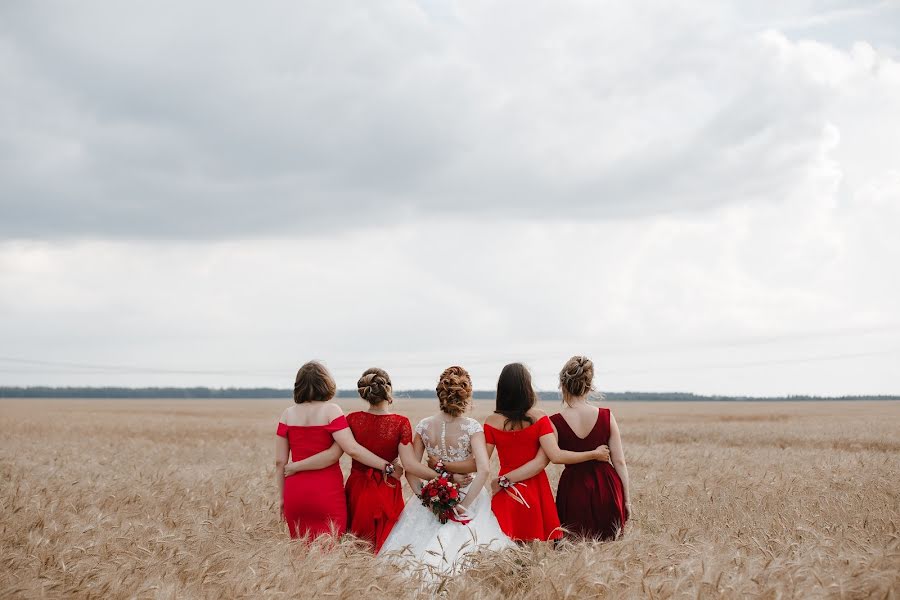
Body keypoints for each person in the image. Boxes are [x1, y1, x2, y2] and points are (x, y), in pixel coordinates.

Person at [285, 367, 456, 551]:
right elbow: (410, 465)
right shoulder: (400, 423)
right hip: (387, 488)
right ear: (388, 390)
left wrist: (296, 466)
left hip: (357, 490)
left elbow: (339, 452)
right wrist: (444, 479)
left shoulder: (352, 419)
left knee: (354, 548)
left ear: (365, 393)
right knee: (387, 546)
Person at [437, 363, 610, 541]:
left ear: (501, 389)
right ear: (527, 387)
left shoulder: (492, 421)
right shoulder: (540, 417)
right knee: (534, 550)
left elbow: (477, 464)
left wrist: (443, 465)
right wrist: (594, 454)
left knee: (505, 545)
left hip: (506, 491)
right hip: (535, 489)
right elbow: (551, 458)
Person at [378, 366, 514, 573]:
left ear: (439, 394)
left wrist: (428, 500)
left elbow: (410, 471)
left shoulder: (424, 426)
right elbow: (484, 469)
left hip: (431, 495)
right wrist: (464, 506)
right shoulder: (472, 427)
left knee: (410, 557)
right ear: (466, 396)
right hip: (469, 495)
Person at [274, 361, 403, 539]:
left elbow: (280, 462)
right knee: (331, 552)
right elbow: (351, 449)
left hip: (294, 492)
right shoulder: (331, 411)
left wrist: (283, 498)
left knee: (299, 556)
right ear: (326, 383)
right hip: (325, 491)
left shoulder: (287, 414)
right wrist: (387, 466)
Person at [550, 355, 631, 540]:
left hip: (573, 489)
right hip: (607, 486)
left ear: (563, 385)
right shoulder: (606, 416)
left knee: (572, 547)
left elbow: (556, 456)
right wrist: (626, 499)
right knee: (609, 549)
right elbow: (619, 461)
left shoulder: (553, 422)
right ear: (589, 385)